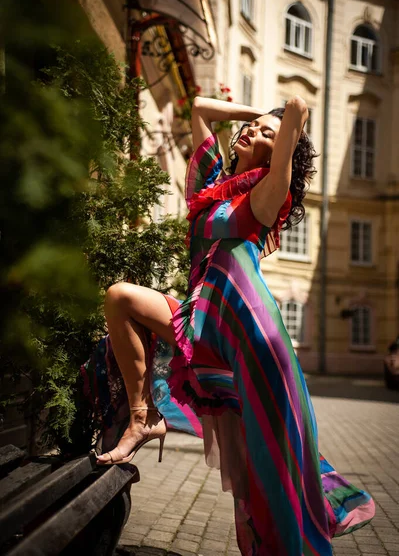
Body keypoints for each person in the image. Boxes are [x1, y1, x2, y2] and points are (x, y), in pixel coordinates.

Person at [92, 96, 375, 555]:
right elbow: (199, 108)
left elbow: (298, 106)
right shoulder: (212, 186)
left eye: (267, 136)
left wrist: (283, 128)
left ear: (277, 152)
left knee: (264, 467)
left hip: (252, 335)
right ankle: (143, 419)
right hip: (203, 317)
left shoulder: (267, 195)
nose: (253, 134)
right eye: (252, 129)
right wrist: (255, 117)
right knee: (119, 297)